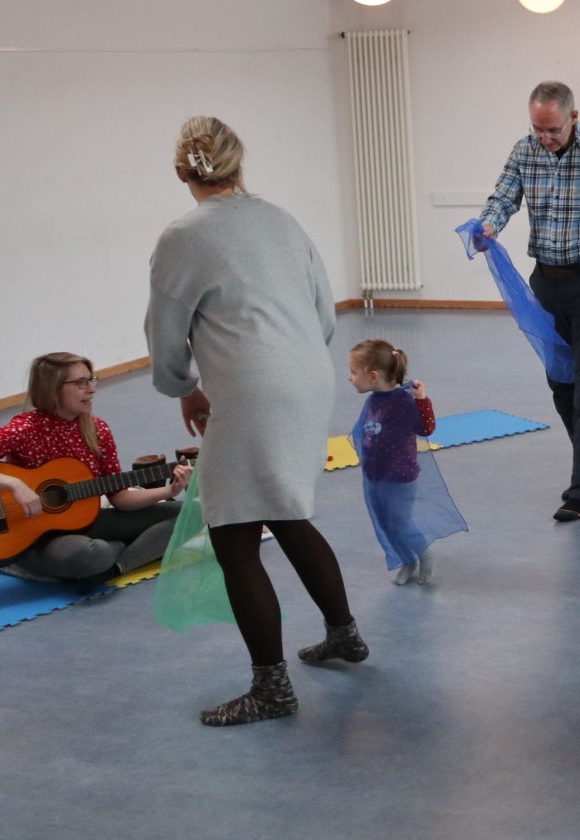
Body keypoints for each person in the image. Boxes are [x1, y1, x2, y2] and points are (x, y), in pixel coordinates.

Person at [146, 115, 365, 727]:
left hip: (250, 391)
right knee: (286, 508)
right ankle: (344, 635)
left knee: (234, 534)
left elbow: (165, 337)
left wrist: (184, 386)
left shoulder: (183, 236)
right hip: (306, 378)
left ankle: (271, 689)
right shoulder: (282, 220)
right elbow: (324, 313)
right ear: (241, 163)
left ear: (182, 171)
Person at [478, 81, 580, 522]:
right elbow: (503, 198)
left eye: (552, 129)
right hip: (546, 286)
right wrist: (488, 226)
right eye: (538, 129)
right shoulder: (524, 150)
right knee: (562, 384)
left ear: (573, 117)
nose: (545, 138)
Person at [0, 352, 190, 582]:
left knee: (192, 513)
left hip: (86, 519)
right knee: (88, 553)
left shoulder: (97, 429)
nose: (91, 389)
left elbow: (120, 498)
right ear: (53, 389)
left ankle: (117, 566)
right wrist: (13, 484)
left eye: (92, 380)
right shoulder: (25, 429)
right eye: (81, 383)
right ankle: (25, 561)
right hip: (35, 533)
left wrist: (168, 493)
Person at [346, 339, 463, 585]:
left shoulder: (402, 401)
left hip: (399, 478)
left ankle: (424, 555)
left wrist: (422, 400)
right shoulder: (374, 399)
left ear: (373, 375)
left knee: (399, 523)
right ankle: (407, 561)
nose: (350, 378)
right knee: (385, 523)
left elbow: (426, 428)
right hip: (376, 476)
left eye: (354, 373)